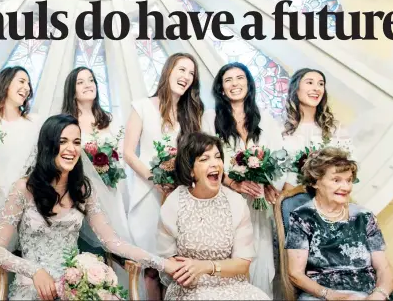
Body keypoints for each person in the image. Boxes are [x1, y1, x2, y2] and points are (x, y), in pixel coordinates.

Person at [0, 114, 183, 300]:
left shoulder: (83, 190)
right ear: (48, 146)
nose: (71, 149)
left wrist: (163, 263)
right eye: (63, 141)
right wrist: (34, 271)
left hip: (73, 287)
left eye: (76, 142)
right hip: (31, 288)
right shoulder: (23, 188)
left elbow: (113, 242)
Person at [123, 52, 204, 299]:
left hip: (180, 196)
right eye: (181, 69)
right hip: (148, 193)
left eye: (191, 73)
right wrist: (155, 180)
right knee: (151, 266)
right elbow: (128, 152)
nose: (186, 76)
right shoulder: (143, 106)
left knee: (177, 266)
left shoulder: (192, 114)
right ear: (168, 71)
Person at [201, 62, 285, 296]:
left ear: (249, 84)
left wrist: (267, 183)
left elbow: (279, 159)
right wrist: (233, 183)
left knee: (259, 259)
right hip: (224, 201)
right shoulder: (210, 118)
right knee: (228, 260)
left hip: (257, 203)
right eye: (228, 80)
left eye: (240, 78)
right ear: (221, 88)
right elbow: (206, 159)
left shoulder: (265, 119)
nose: (235, 83)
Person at [157, 132, 269, 300]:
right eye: (204, 159)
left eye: (217, 157)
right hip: (189, 289)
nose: (215, 164)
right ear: (191, 171)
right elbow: (168, 259)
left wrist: (207, 267)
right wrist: (186, 272)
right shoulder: (174, 203)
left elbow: (243, 263)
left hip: (233, 287)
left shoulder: (235, 203)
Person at [285, 147, 393, 300]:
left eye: (349, 180)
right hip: (323, 295)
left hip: (368, 292)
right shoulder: (302, 217)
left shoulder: (364, 216)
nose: (346, 187)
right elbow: (295, 273)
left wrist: (380, 293)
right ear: (315, 182)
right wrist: (331, 295)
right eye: (336, 180)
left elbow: (384, 267)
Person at [61, 66, 132, 250]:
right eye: (81, 82)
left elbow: (120, 157)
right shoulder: (66, 122)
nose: (88, 85)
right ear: (72, 90)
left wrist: (110, 173)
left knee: (116, 243)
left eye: (91, 80)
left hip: (110, 189)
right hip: (79, 192)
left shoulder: (110, 119)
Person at [0, 66, 43, 202]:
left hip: (23, 199)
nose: (27, 87)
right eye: (22, 81)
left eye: (28, 83)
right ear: (6, 84)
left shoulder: (35, 123)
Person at [282, 68, 354, 191]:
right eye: (310, 82)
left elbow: (349, 166)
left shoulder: (335, 129)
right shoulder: (281, 129)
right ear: (296, 88)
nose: (316, 88)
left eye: (321, 84)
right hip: (287, 198)